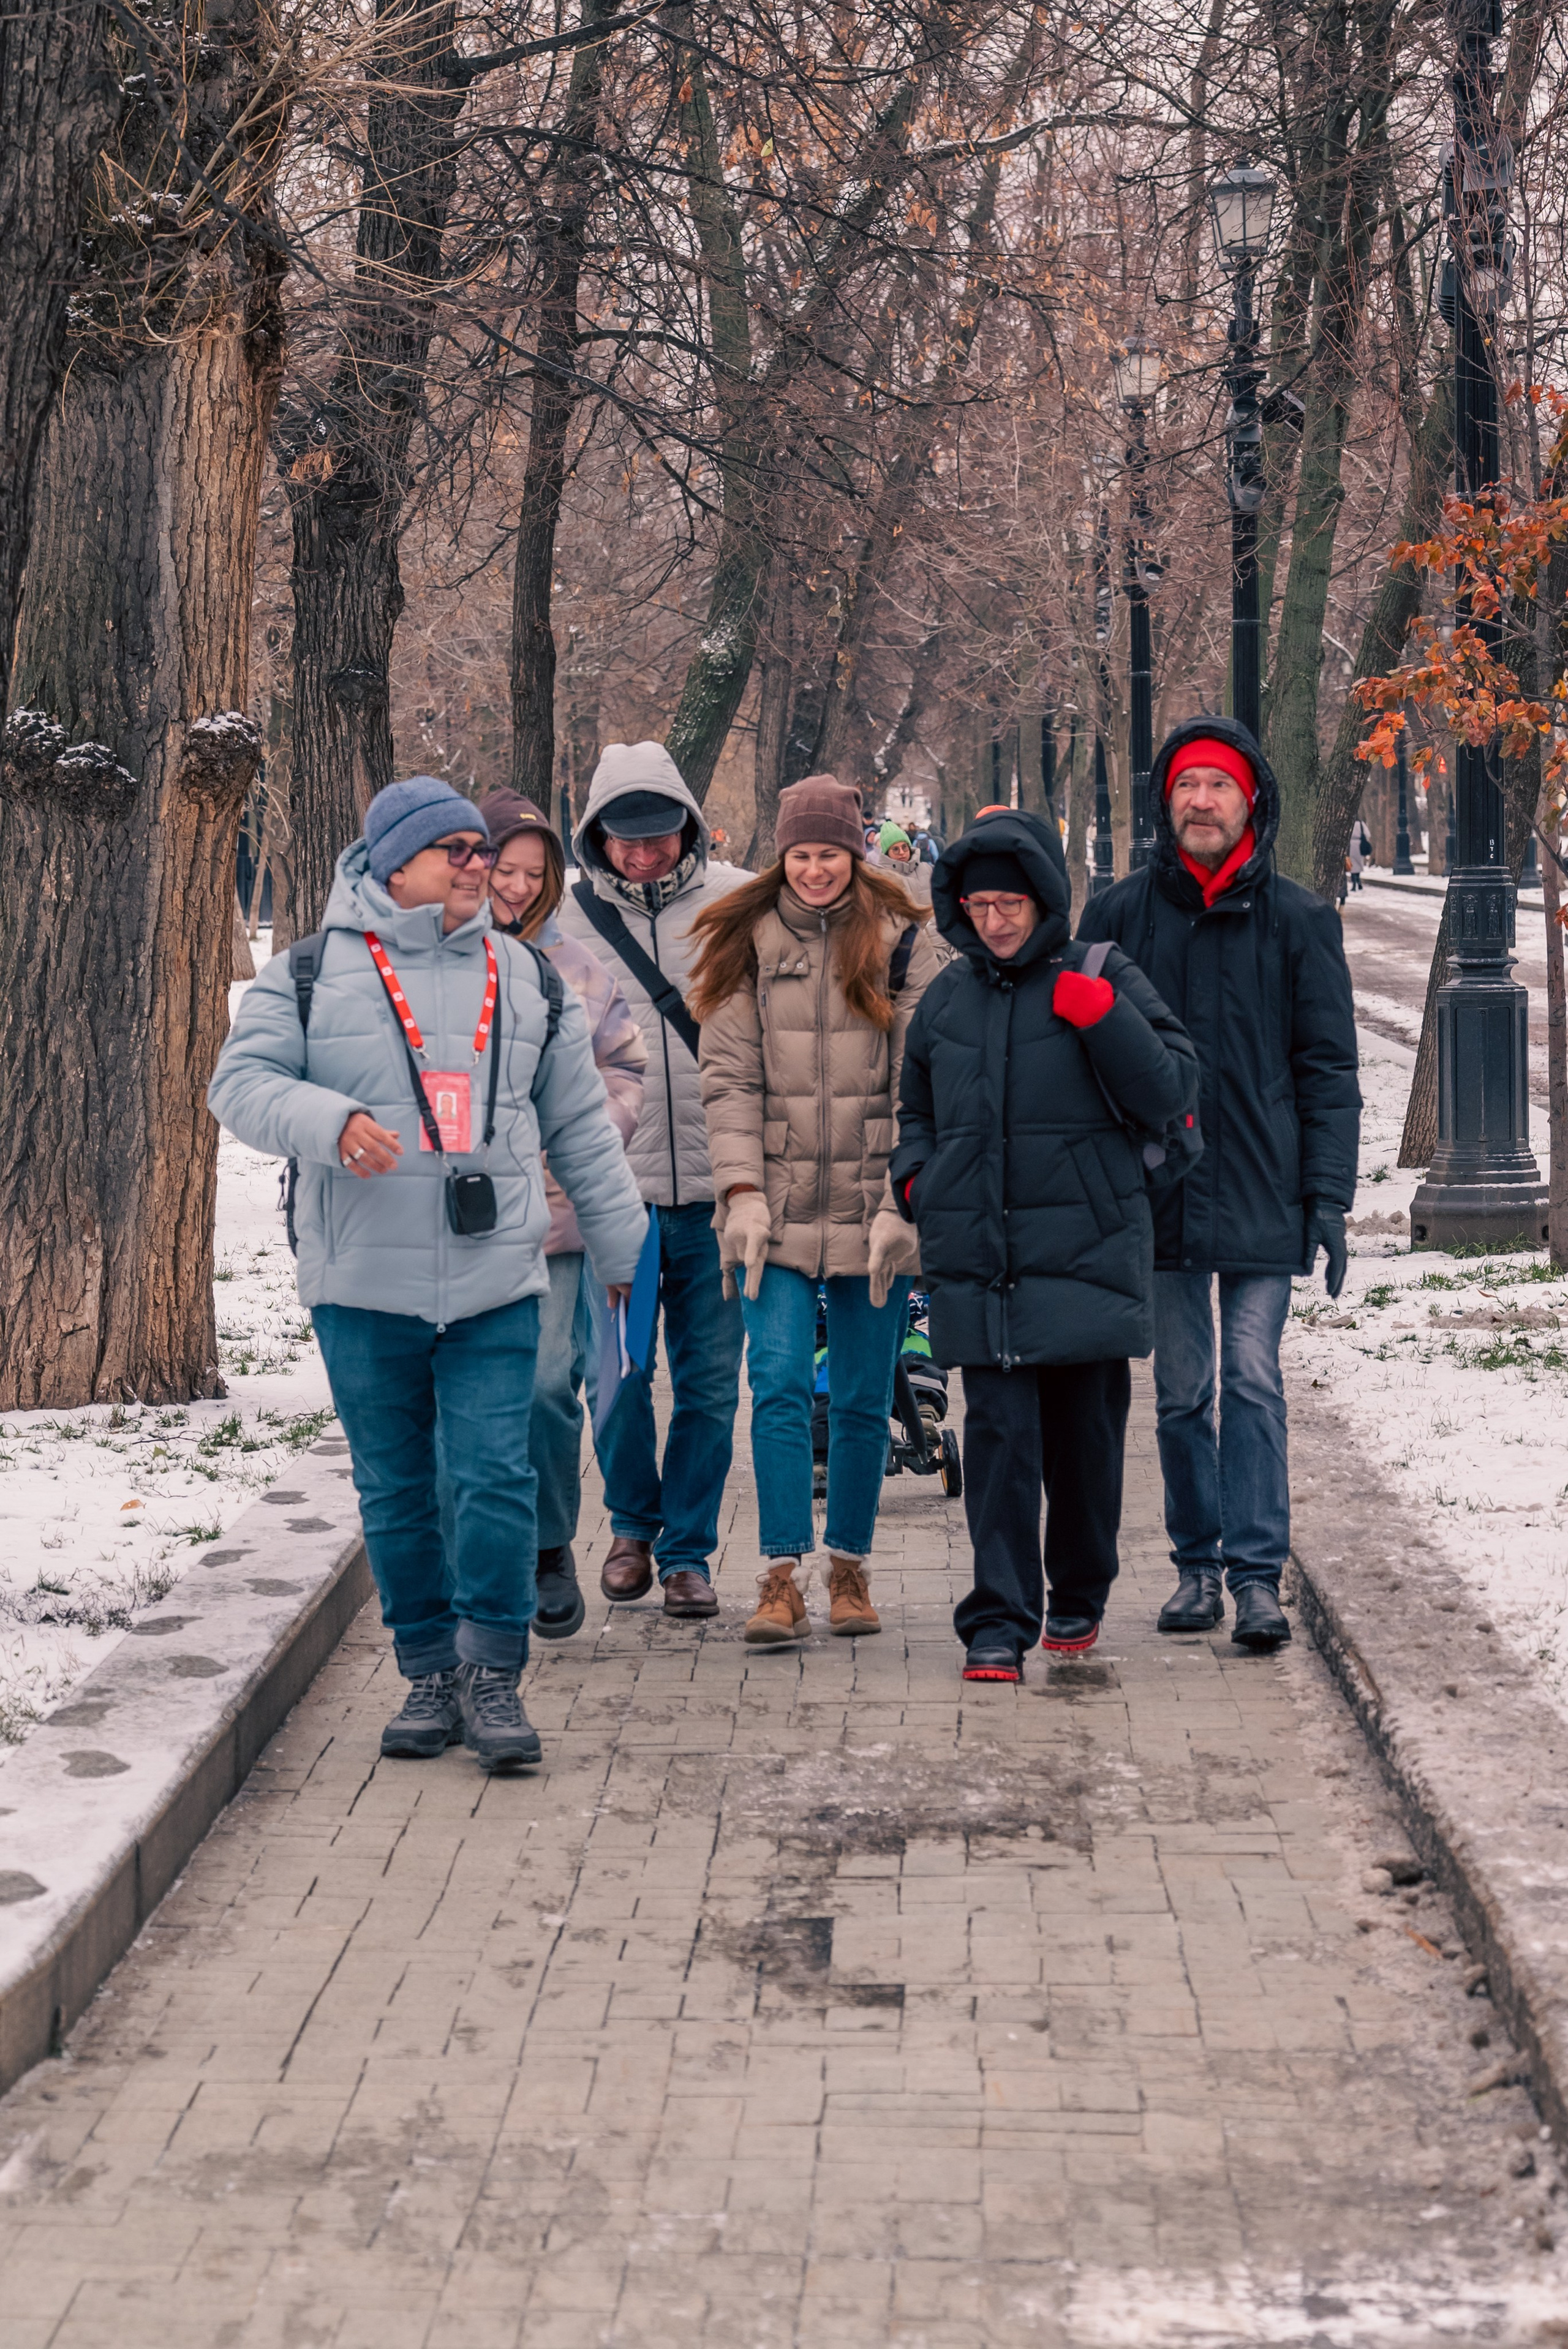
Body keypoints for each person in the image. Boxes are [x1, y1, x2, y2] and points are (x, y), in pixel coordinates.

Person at [208, 776, 647, 1769]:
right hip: (363, 1284)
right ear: (392, 862)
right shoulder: (312, 973)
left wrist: (623, 1256)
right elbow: (239, 1085)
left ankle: (494, 1675)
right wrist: (330, 1123)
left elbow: (581, 1127)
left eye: (479, 849)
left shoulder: (525, 978)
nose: (477, 863)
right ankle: (427, 1676)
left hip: (497, 1274)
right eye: (455, 848)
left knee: (494, 1475)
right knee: (398, 1490)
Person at [890, 809, 1197, 1681]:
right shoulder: (947, 999)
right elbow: (917, 1111)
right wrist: (916, 1181)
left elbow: (1173, 1090)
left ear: (1044, 900)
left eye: (1010, 903)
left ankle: (1079, 1595)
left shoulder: (1105, 974)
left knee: (1084, 1449)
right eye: (980, 904)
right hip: (982, 1263)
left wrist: (1103, 1018)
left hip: (1087, 1258)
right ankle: (997, 1621)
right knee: (997, 1447)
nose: (995, 920)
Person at [1077, 721, 1360, 1651]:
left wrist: (1329, 1200)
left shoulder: (1301, 922)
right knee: (1183, 1389)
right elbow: (1079, 1065)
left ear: (1251, 805)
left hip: (1264, 1191)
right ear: (1167, 802)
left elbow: (1327, 1070)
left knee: (1252, 1377)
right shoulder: (1117, 918)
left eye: (1220, 787)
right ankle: (1196, 1567)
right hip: (1154, 1196)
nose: (1203, 800)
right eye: (1187, 785)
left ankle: (1257, 1578)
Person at [690, 773, 941, 1643]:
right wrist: (741, 1195)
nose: (815, 870)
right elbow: (728, 1081)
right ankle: (779, 1574)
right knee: (782, 1386)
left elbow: (925, 1080)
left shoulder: (907, 940)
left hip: (876, 1208)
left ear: (856, 850)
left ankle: (851, 1569)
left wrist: (902, 1203)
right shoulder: (745, 940)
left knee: (869, 1396)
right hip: (780, 1211)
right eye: (800, 854)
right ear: (781, 855)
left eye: (829, 853)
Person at [557, 742, 751, 1618]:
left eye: (660, 836)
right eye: (624, 840)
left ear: (688, 830)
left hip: (720, 1194)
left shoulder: (739, 904)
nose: (643, 854)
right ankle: (631, 1523)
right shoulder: (560, 921)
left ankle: (688, 1553)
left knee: (710, 1383)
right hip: (614, 1197)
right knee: (618, 1378)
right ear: (595, 837)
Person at [476, 787, 647, 1640]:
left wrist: (586, 1132)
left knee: (548, 1386)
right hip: (457, 1223)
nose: (514, 887)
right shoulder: (439, 959)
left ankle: (549, 1546)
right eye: (504, 869)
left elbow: (627, 1070)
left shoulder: (577, 967)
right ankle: (480, 1556)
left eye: (532, 874)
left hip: (555, 1215)